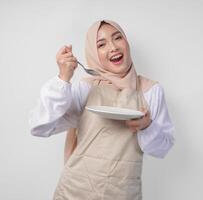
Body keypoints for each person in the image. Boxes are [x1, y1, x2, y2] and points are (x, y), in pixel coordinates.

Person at [29, 19, 175, 200]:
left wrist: (147, 126)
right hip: (74, 191)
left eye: (117, 38)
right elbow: (40, 127)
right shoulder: (86, 87)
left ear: (126, 43)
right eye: (101, 44)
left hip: (123, 193)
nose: (113, 47)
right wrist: (63, 78)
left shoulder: (151, 90)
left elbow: (162, 149)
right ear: (93, 53)